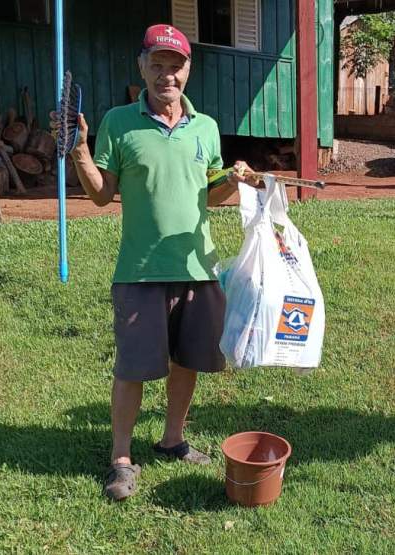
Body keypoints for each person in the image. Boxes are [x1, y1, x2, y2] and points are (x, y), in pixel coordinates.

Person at [60, 24, 260, 501]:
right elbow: (102, 195)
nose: (166, 74)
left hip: (197, 267)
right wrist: (79, 148)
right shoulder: (119, 121)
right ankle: (122, 459)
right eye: (158, 64)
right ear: (142, 66)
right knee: (132, 367)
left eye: (176, 66)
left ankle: (172, 440)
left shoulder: (206, 127)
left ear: (188, 70)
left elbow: (210, 195)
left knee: (187, 361)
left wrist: (235, 179)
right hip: (140, 270)